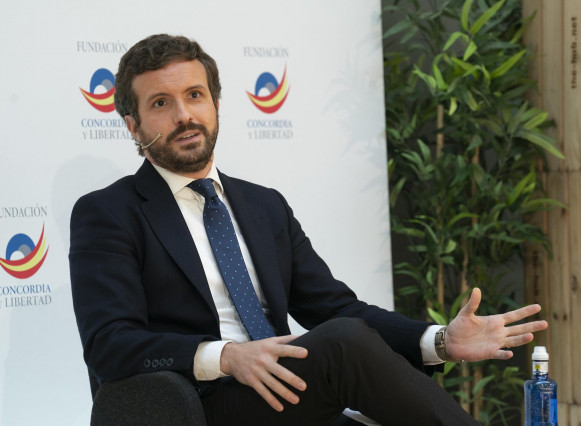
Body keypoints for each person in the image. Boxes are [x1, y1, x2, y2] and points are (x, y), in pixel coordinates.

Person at [69, 34, 548, 426]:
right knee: (341, 343)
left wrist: (440, 340)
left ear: (215, 103)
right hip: (194, 406)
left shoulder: (262, 205)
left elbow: (335, 307)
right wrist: (226, 356)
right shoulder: (108, 213)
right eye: (160, 103)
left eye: (194, 95)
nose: (183, 115)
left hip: (283, 398)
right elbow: (110, 346)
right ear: (133, 125)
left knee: (344, 335)